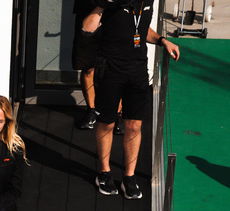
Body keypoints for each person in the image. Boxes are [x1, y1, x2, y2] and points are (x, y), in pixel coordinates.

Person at [83, 0, 180, 199]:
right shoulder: (111, 3)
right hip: (110, 69)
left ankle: (129, 177)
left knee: (134, 125)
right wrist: (102, 5)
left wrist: (162, 40)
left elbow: (142, 30)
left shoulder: (147, 2)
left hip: (137, 70)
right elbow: (87, 28)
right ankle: (104, 173)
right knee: (107, 123)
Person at [72, 0, 100, 130]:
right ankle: (91, 110)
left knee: (117, 66)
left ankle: (119, 114)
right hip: (87, 12)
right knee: (87, 68)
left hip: (115, 14)